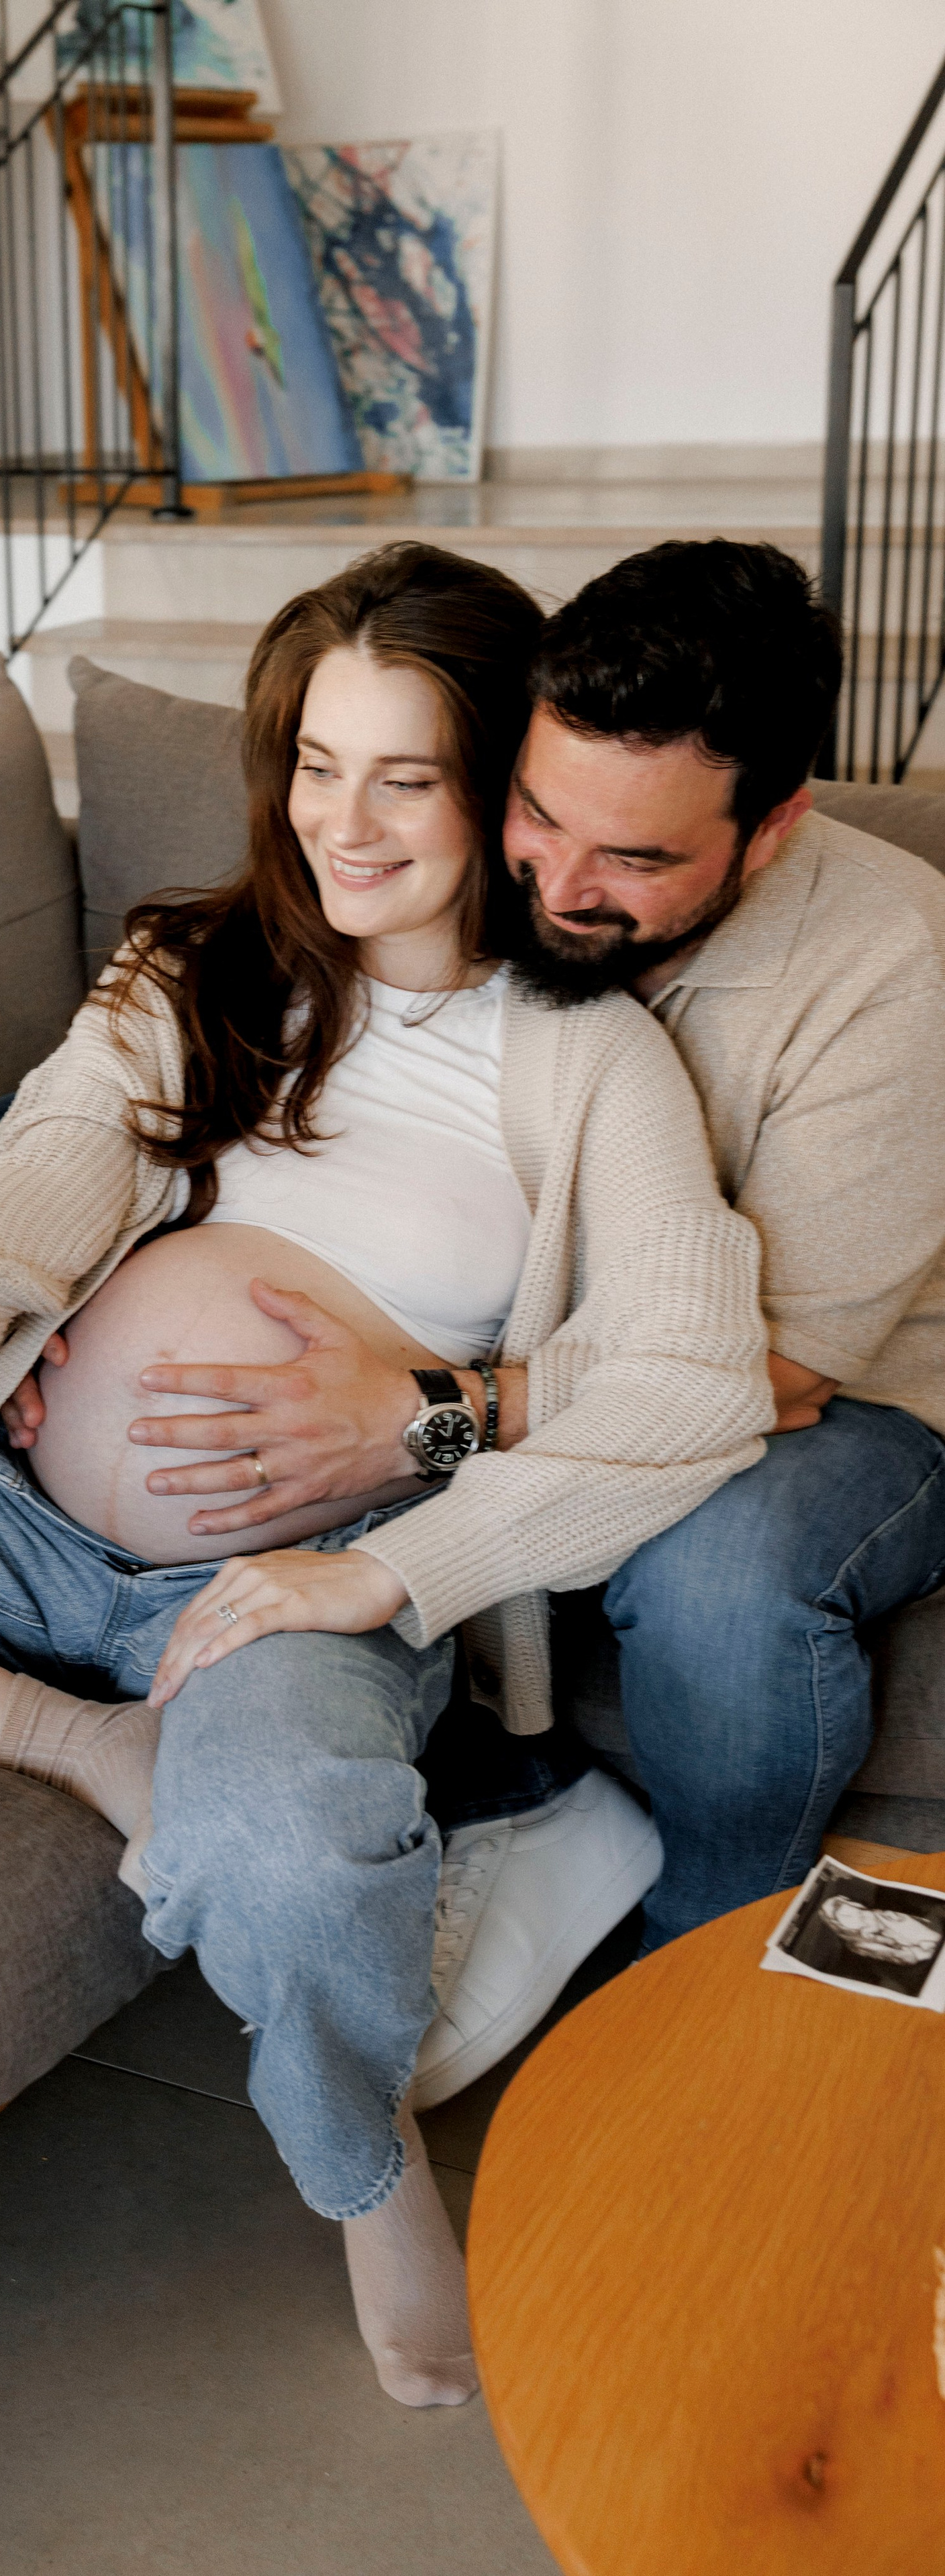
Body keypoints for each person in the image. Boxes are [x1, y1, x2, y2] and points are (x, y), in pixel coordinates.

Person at [0, 541, 771, 2410]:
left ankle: (364, 2184)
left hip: (293, 1580)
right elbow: (38, 1181)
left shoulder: (588, 1056)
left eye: (405, 775)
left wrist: (398, 1501)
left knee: (281, 1854)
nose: (343, 824)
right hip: (4, 1498)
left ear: (498, 787)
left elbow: (691, 1384)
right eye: (312, 764)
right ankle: (70, 1740)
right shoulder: (192, 970)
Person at [128, 539, 945, 2100]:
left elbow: (764, 1376)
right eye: (539, 815)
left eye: (634, 864)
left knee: (719, 1571)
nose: (559, 888)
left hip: (848, 1404)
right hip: (544, 1340)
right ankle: (520, 1804)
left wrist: (423, 1411)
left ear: (769, 828)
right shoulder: (484, 879)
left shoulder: (888, 967)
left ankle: (708, 1983)